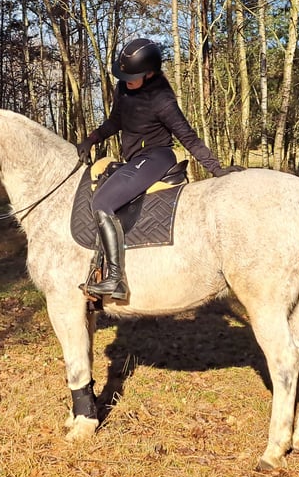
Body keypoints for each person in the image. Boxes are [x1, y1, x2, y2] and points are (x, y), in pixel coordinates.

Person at [76, 38, 245, 301]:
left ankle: (115, 279)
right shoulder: (123, 89)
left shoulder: (162, 100)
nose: (127, 80)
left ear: (150, 72)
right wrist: (92, 138)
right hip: (134, 159)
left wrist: (217, 169)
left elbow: (187, 137)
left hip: (157, 156)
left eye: (133, 76)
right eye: (125, 76)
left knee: (103, 202)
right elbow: (115, 122)